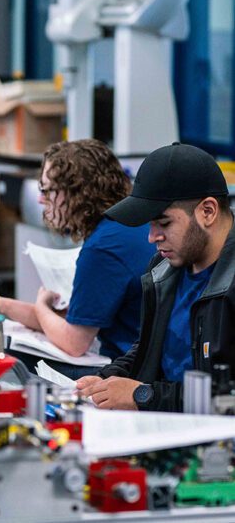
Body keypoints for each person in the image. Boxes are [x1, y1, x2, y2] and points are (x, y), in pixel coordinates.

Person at [0, 139, 155, 379]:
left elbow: (74, 342)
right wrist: (0, 304)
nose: (41, 200)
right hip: (145, 361)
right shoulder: (126, 226)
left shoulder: (103, 248)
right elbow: (71, 319)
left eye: (46, 190)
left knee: (10, 357)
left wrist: (42, 307)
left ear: (77, 193)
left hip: (128, 371)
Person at [76, 143, 235, 412]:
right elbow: (149, 348)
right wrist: (106, 380)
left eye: (163, 223)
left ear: (207, 211)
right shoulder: (165, 268)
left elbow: (228, 398)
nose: (152, 237)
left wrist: (144, 396)